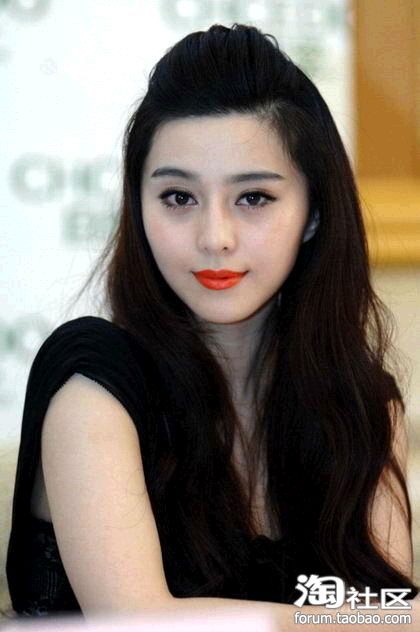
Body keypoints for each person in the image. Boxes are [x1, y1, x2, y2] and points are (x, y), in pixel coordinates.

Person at [6, 22, 419, 625]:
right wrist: (350, 619)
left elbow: (388, 614)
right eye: (178, 197)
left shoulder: (362, 407)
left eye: (253, 198)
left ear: (313, 213)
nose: (214, 237)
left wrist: (377, 618)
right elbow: (141, 622)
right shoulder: (95, 384)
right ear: (138, 205)